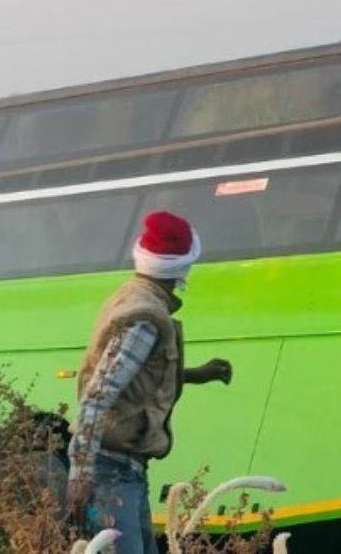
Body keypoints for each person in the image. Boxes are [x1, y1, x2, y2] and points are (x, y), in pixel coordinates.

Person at [67, 211, 232, 554]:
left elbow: (137, 377)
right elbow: (98, 396)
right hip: (111, 472)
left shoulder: (133, 294)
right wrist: (80, 477)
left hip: (124, 470)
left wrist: (195, 375)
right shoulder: (145, 318)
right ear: (185, 265)